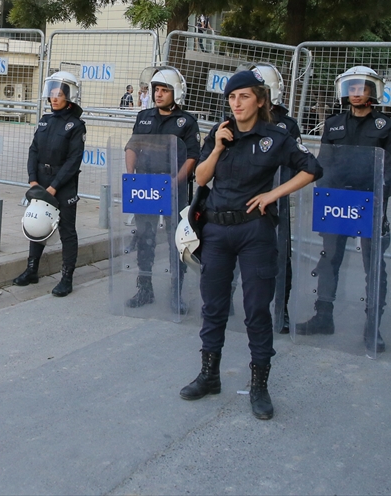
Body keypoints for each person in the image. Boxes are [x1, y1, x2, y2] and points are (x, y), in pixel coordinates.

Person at [180, 69, 321, 420]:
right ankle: (209, 376)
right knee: (213, 307)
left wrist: (273, 194)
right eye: (231, 97)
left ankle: (259, 386)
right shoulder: (219, 132)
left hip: (255, 233)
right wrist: (217, 147)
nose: (237, 103)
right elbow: (200, 178)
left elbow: (312, 168)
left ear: (259, 100)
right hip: (216, 231)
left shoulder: (276, 136)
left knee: (257, 310)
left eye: (243, 96)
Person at [294, 65, 391, 352]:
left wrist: (381, 198)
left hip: (370, 203)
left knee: (373, 266)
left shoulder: (386, 127)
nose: (356, 94)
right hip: (338, 203)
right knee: (328, 259)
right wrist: (325, 194)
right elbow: (324, 163)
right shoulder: (333, 124)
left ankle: (373, 328)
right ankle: (323, 317)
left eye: (362, 88)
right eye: (352, 88)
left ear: (372, 91)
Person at [124, 66, 201, 312]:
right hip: (145, 187)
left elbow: (192, 156)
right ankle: (144, 289)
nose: (158, 94)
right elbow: (132, 146)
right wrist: (130, 176)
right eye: (156, 89)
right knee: (144, 240)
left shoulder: (187, 122)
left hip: (173, 189)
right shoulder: (144, 116)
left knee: (175, 242)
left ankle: (176, 294)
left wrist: (175, 181)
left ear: (175, 92)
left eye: (164, 90)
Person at [14, 71, 87, 296]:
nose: (54, 98)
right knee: (36, 226)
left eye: (59, 93)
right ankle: (32, 270)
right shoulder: (45, 120)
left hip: (62, 184)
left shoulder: (76, 126)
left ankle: (66, 277)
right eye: (51, 93)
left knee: (66, 230)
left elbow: (73, 161)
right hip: (41, 181)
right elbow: (34, 150)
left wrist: (54, 186)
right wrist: (33, 180)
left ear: (69, 96)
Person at [251, 62, 302, 334]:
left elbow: (298, 166)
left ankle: (280, 309)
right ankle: (230, 302)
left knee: (281, 256)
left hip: (275, 199)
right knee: (234, 253)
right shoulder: (239, 119)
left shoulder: (287, 125)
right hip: (243, 199)